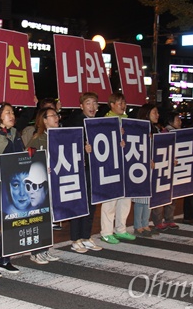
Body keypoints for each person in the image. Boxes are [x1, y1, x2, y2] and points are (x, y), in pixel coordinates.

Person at [0, 102, 26, 274]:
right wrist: (2, 135)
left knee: (10, 223)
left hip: (13, 185)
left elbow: (20, 157)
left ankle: (5, 259)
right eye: (7, 112)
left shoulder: (16, 133)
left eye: (13, 112)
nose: (12, 115)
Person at [62, 92, 105, 252]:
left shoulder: (99, 124)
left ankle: (86, 236)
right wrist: (82, 148)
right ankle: (75, 238)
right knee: (79, 203)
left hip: (95, 169)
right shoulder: (74, 122)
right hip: (79, 169)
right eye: (88, 103)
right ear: (81, 106)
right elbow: (66, 144)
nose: (92, 107)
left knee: (91, 204)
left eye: (95, 103)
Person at [26, 107, 66, 263]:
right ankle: (36, 251)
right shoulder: (38, 139)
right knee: (40, 217)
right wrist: (41, 167)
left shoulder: (59, 137)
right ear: (44, 120)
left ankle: (46, 248)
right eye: (52, 116)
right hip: (42, 184)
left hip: (55, 183)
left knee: (49, 217)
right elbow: (27, 158)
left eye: (57, 115)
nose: (56, 118)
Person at [100, 92, 136, 244]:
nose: (123, 106)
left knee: (125, 198)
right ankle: (106, 231)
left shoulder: (128, 121)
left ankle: (121, 229)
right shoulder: (105, 121)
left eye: (124, 103)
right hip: (111, 165)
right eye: (119, 103)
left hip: (126, 164)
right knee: (110, 199)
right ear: (112, 105)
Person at [131, 104, 161, 238]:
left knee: (149, 198)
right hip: (141, 167)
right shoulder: (140, 129)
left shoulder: (155, 129)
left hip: (152, 168)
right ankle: (138, 225)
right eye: (154, 112)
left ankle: (145, 223)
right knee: (140, 198)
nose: (157, 115)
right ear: (146, 114)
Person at [151, 111, 181, 231]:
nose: (180, 121)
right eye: (177, 119)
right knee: (161, 194)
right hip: (162, 167)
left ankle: (169, 219)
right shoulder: (165, 133)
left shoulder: (175, 133)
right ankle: (159, 221)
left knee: (171, 195)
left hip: (170, 167)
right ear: (170, 121)